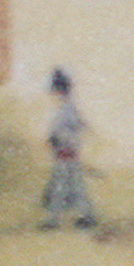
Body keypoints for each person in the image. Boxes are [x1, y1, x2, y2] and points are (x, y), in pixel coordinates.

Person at [39, 69, 97, 229]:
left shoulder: (66, 110)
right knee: (74, 188)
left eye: (55, 90)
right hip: (66, 154)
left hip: (66, 154)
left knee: (61, 190)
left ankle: (53, 221)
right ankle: (87, 216)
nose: (53, 94)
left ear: (61, 91)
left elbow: (71, 132)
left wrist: (55, 140)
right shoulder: (66, 109)